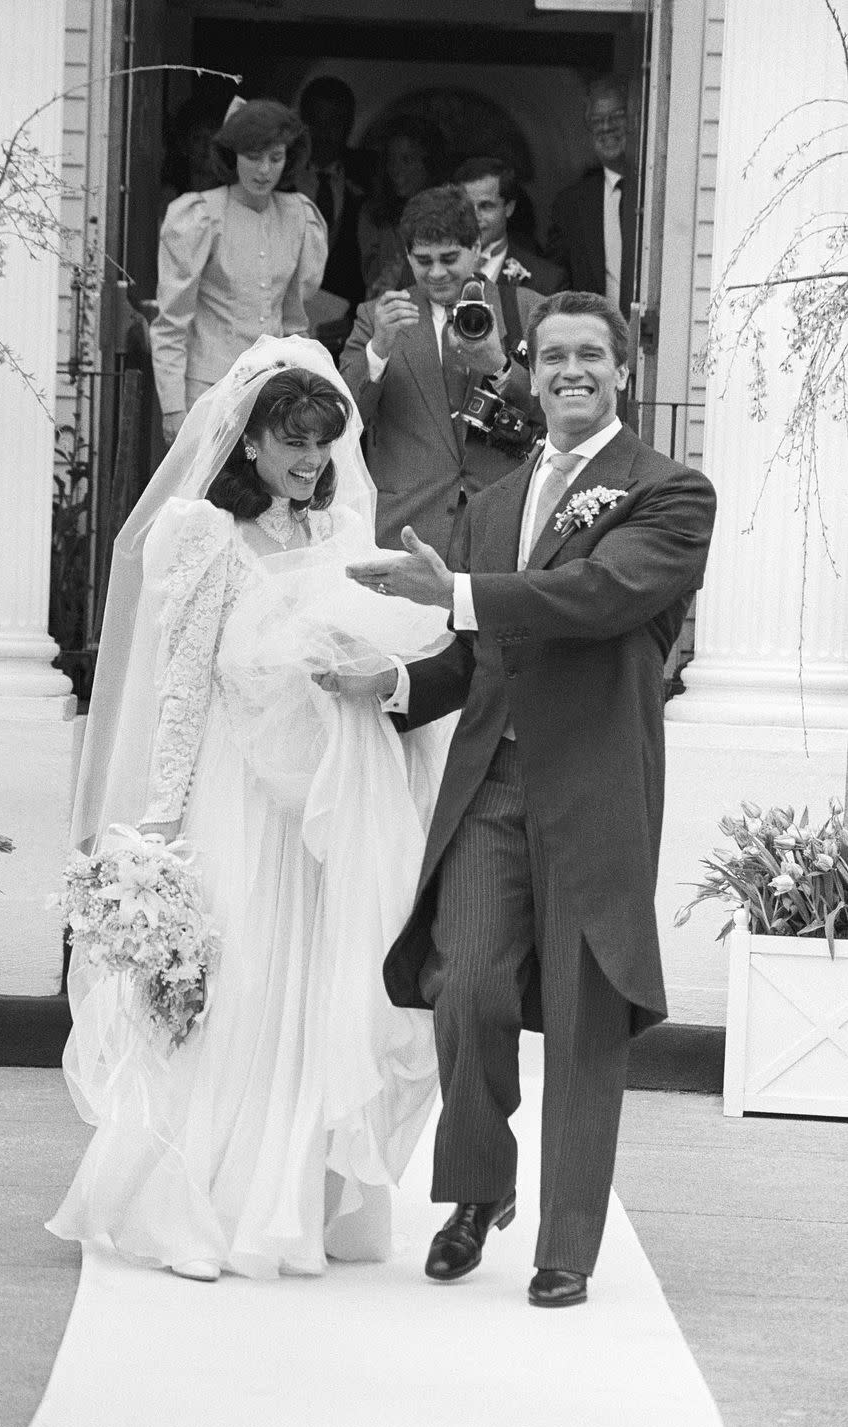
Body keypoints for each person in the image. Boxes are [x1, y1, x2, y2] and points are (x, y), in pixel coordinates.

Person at [336, 291, 717, 1307]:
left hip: (594, 793)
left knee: (586, 1018)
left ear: (622, 370)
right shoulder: (496, 504)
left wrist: (453, 593)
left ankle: (567, 1247)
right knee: (465, 984)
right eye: (552, 356)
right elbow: (479, 656)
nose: (570, 371)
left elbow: (599, 600)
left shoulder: (672, 494)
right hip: (492, 785)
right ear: (528, 370)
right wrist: (403, 687)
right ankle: (474, 1189)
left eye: (590, 354)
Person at [49, 336, 452, 1283]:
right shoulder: (204, 535)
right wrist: (159, 823)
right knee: (243, 978)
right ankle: (198, 1199)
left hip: (322, 791)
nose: (311, 461)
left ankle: (297, 1197)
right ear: (248, 444)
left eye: (323, 441)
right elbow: (182, 687)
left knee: (317, 979)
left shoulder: (342, 537)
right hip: (237, 786)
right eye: (292, 441)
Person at [340, 184, 544, 560]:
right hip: (405, 523)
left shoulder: (527, 309)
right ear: (407, 255)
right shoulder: (376, 317)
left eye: (449, 258)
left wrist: (500, 369)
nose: (435, 272)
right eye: (423, 260)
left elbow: (557, 414)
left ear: (477, 248)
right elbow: (342, 420)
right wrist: (379, 349)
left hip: (501, 524)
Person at [149, 99, 327, 448]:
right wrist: (172, 408)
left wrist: (304, 392)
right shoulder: (200, 215)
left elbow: (294, 321)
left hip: (275, 394)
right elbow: (171, 323)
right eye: (253, 157)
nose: (264, 170)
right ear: (232, 155)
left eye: (275, 158)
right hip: (209, 393)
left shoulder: (299, 216)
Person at [545, 78, 636, 320]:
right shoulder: (570, 205)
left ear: (634, 120)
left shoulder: (656, 193)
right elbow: (557, 284)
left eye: (616, 116)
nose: (606, 127)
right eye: (597, 121)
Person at [296, 76, 368, 314]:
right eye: (317, 122)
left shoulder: (369, 178)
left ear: (348, 126)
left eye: (334, 123)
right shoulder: (276, 177)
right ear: (302, 123)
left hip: (346, 325)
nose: (324, 133)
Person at [356, 116, 449, 299]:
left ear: (429, 164)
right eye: (391, 160)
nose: (395, 169)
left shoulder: (450, 217)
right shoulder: (373, 215)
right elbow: (374, 280)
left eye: (407, 160)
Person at [454, 155, 564, 297]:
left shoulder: (547, 281)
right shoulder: (431, 272)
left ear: (509, 208)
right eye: (466, 206)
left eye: (485, 206)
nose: (474, 217)